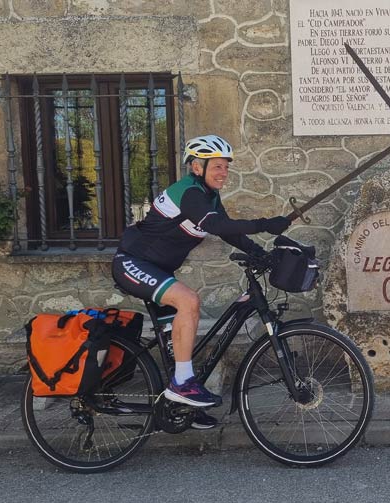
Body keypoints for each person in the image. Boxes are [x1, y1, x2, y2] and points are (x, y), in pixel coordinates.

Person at [111, 134, 290, 429]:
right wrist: (265, 224)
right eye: (217, 166)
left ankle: (180, 407)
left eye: (226, 167)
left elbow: (228, 233)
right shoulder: (189, 193)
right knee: (188, 300)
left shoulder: (208, 195)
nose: (224, 173)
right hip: (132, 263)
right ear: (197, 167)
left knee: (177, 343)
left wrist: (260, 252)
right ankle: (182, 384)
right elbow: (215, 225)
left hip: (158, 269)